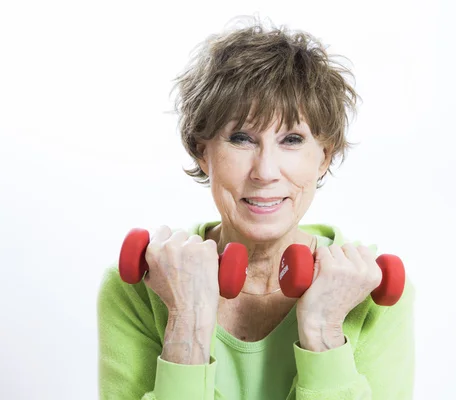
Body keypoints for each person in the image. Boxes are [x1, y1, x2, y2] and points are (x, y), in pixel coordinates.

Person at [97, 16, 415, 400]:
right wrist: (187, 325)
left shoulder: (369, 292)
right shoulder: (140, 287)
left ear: (324, 157)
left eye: (292, 139)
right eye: (242, 138)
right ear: (202, 151)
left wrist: (325, 332)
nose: (265, 172)